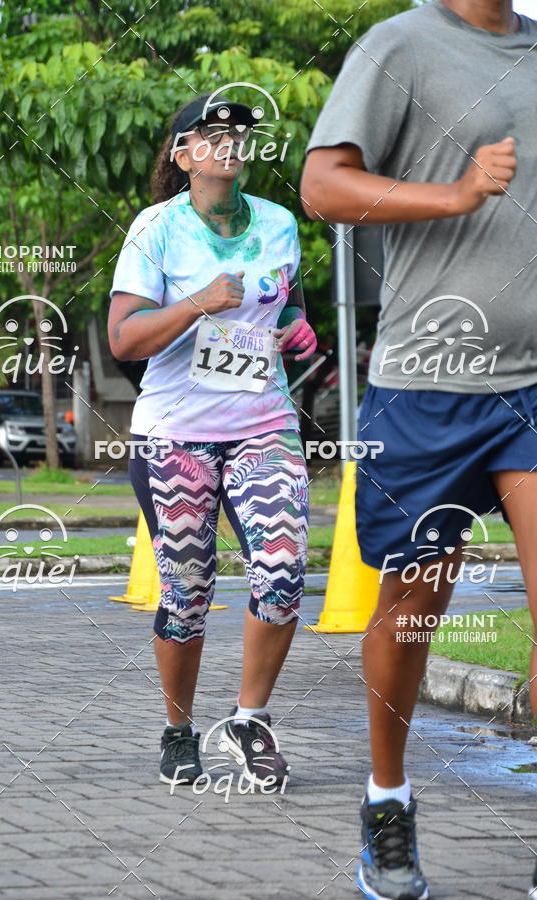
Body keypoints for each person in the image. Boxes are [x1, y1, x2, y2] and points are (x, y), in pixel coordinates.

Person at [301, 1, 537, 898]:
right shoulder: (398, 46)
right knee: (412, 611)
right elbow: (323, 188)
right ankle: (387, 798)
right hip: (426, 383)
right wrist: (456, 194)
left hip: (533, 386)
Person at [108, 94, 317, 788]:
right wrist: (199, 301)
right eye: (212, 132)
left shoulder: (279, 223)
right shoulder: (156, 229)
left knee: (283, 573)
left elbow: (286, 304)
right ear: (183, 153)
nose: (229, 142)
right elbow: (123, 338)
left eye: (239, 133)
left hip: (264, 426)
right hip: (176, 435)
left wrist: (296, 328)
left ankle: (249, 721)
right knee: (188, 591)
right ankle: (178, 729)